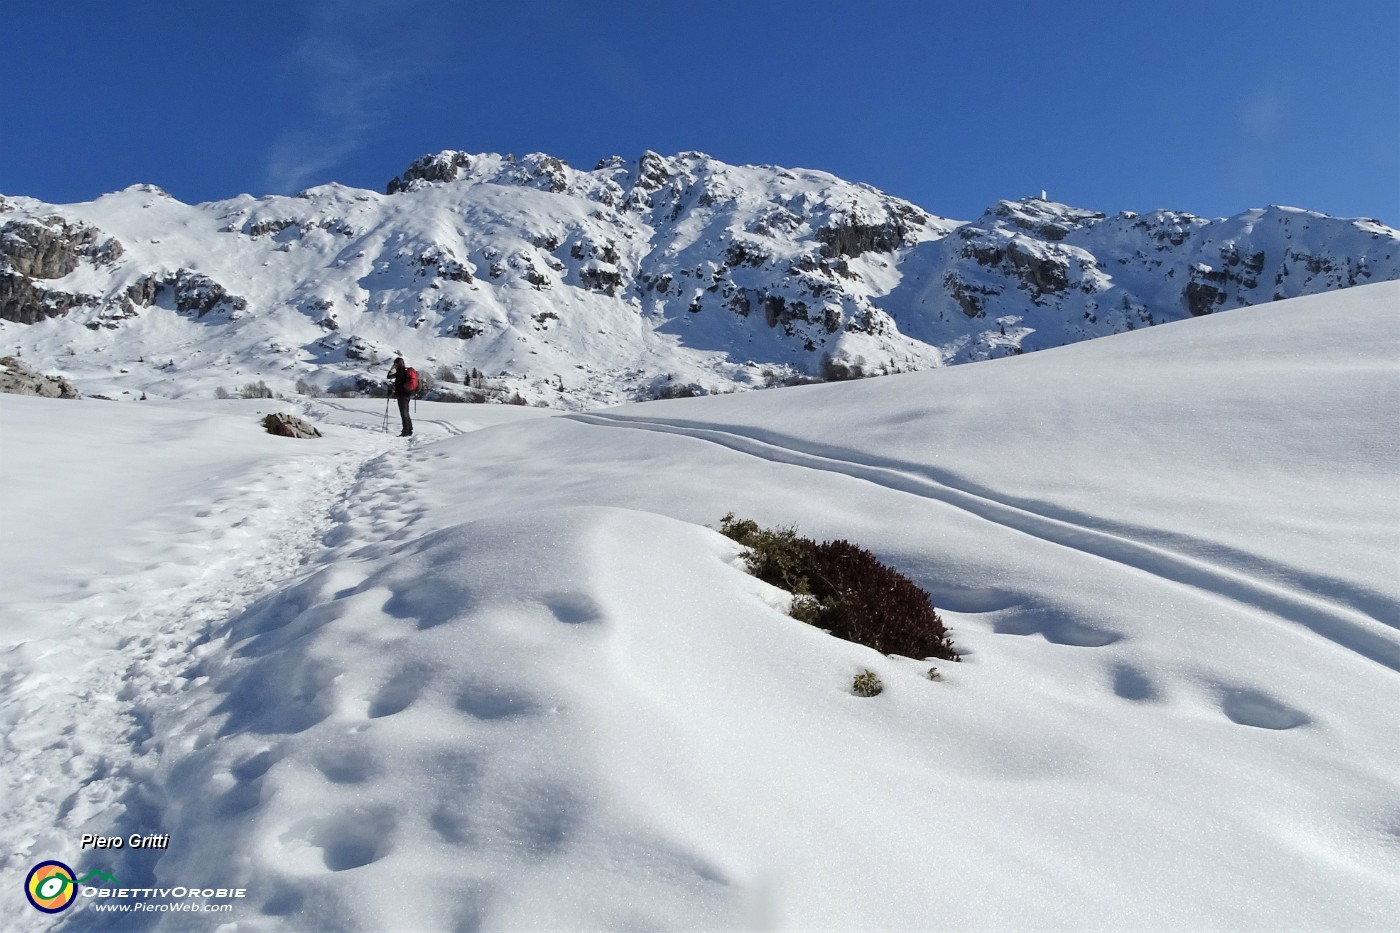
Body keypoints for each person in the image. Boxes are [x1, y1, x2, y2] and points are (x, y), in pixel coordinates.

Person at [387, 356, 414, 436]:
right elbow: (389, 377)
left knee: (404, 413)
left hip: (402, 395)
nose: (395, 365)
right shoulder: (405, 371)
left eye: (395, 364)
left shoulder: (400, 372)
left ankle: (405, 431)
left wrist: (392, 368)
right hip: (407, 395)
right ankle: (409, 430)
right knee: (406, 412)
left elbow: (389, 376)